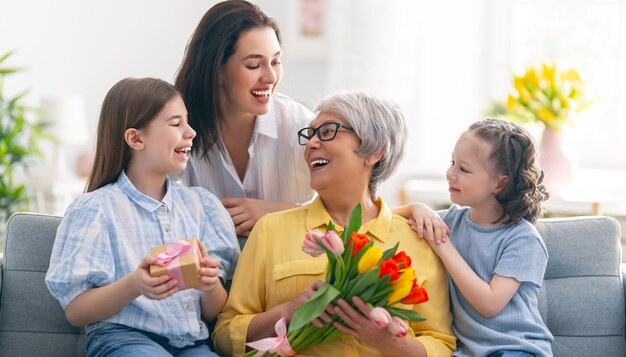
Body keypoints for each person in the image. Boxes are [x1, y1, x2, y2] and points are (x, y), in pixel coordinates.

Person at [213, 92, 456, 356]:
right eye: (310, 134)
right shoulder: (271, 230)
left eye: (328, 132)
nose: (311, 144)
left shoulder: (419, 239)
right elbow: (224, 336)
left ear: (374, 151)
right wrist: (288, 311)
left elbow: (441, 343)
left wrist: (391, 343)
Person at [45, 78, 240, 356]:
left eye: (187, 122)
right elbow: (76, 311)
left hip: (191, 343)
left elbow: (213, 311)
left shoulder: (202, 206)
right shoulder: (95, 210)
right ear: (136, 138)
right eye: (176, 124)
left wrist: (210, 284)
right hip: (124, 339)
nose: (191, 132)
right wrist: (135, 284)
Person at [397, 118, 554, 356]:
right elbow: (387, 218)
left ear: (500, 183)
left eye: (464, 169)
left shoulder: (523, 239)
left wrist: (443, 246)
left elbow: (489, 304)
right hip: (465, 351)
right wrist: (416, 208)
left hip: (516, 349)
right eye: (452, 163)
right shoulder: (451, 220)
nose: (450, 174)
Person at [174, 0, 314, 239]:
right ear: (217, 70)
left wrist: (277, 213)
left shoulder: (300, 124)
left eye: (276, 61)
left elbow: (347, 210)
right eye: (254, 65)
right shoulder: (179, 130)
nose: (270, 77)